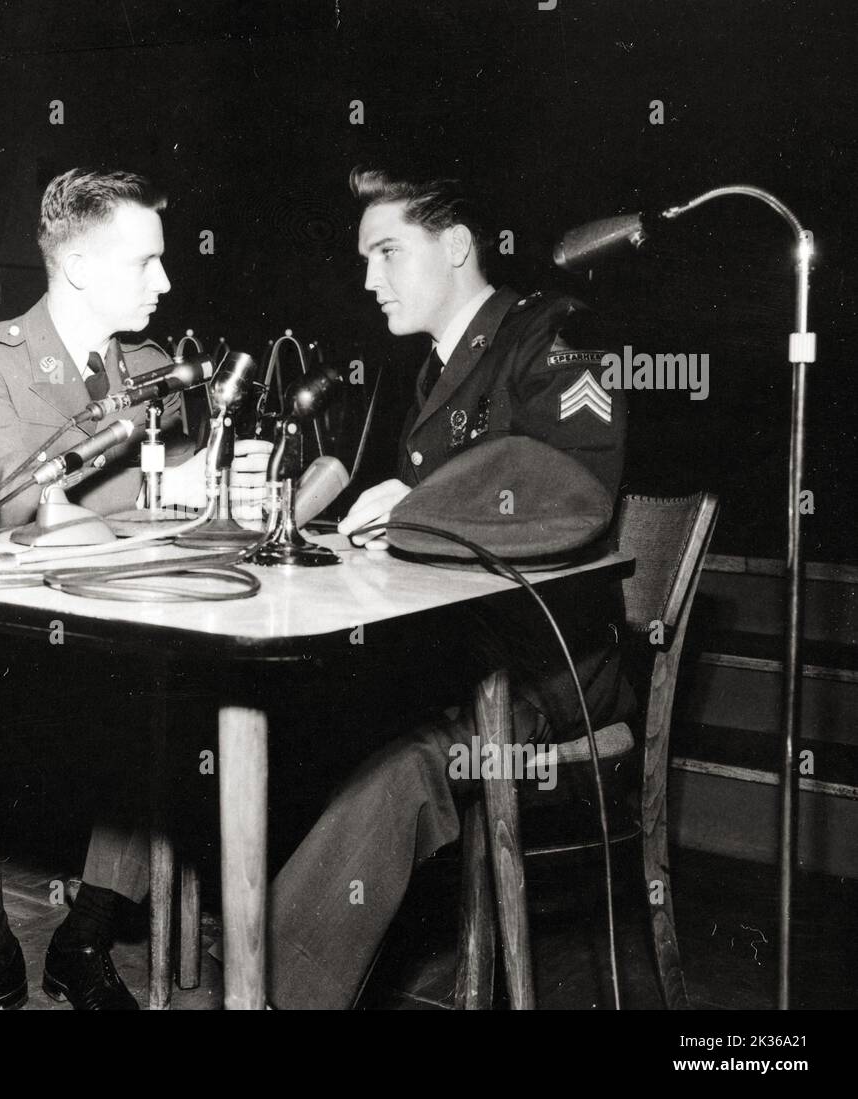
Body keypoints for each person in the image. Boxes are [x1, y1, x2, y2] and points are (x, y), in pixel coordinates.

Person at [263, 169, 635, 1009]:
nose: (369, 280)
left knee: (398, 770)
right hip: (461, 659)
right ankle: (267, 959)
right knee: (276, 708)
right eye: (365, 258)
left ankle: (277, 992)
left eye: (388, 252)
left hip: (551, 672)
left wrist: (411, 506)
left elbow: (575, 490)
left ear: (458, 247)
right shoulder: (433, 373)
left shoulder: (557, 336)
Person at [0, 168, 266, 1011]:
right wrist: (113, 504)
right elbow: (12, 499)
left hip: (129, 638)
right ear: (75, 266)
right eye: (145, 263)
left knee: (172, 705)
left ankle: (88, 935)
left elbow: (198, 501)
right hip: (19, 640)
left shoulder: (161, 371)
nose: (166, 282)